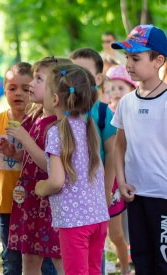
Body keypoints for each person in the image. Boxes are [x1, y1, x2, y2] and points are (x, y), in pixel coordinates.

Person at [0, 57, 72, 275]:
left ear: (57, 92)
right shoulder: (33, 117)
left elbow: (51, 167)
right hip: (30, 201)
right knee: (28, 261)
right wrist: (16, 153)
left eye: (39, 79)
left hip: (52, 204)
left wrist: (26, 140)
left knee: (61, 260)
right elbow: (32, 158)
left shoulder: (60, 125)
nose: (31, 84)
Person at [35, 64, 110, 274]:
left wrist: (41, 187)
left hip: (74, 222)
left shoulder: (56, 132)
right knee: (94, 270)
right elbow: (101, 171)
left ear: (55, 99)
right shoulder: (89, 127)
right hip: (98, 218)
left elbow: (56, 181)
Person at [111, 24, 167, 274]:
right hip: (135, 193)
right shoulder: (126, 102)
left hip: (163, 195)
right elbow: (119, 146)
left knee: (163, 260)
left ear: (158, 60)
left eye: (136, 58)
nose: (129, 64)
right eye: (127, 58)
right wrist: (121, 182)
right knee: (141, 258)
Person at [0, 62, 32, 275]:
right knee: (10, 257)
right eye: (12, 88)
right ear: (4, 91)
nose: (18, 93)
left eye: (25, 88)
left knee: (40, 257)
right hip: (6, 202)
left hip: (34, 203)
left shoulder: (38, 121)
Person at [70, 48, 116, 275]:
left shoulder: (102, 114)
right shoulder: (64, 112)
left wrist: (106, 195)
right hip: (70, 201)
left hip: (96, 200)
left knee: (95, 259)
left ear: (98, 79)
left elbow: (113, 156)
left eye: (84, 72)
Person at [105, 65, 137, 275]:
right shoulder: (103, 114)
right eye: (111, 88)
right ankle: (111, 264)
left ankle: (126, 266)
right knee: (112, 233)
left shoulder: (133, 112)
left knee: (121, 232)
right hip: (110, 180)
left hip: (129, 179)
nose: (115, 93)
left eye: (120, 88)